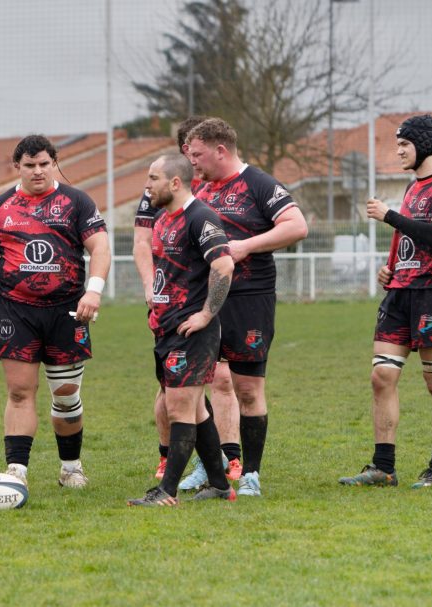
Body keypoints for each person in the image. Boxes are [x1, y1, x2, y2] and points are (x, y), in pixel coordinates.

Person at [0, 134, 110, 491]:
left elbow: (100, 246)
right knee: (20, 391)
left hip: (68, 311)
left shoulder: (77, 202)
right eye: (29, 165)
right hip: (16, 312)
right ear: (16, 166)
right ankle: (16, 470)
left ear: (54, 163)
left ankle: (71, 467)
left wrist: (93, 292)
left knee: (65, 393)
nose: (37, 171)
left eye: (44, 164)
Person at [340, 114, 432, 489]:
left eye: (404, 144)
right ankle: (383, 468)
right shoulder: (413, 188)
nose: (397, 151)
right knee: (381, 377)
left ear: (425, 145)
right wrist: (391, 268)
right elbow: (408, 239)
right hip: (401, 294)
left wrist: (389, 215)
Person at [186, 118, 308, 496]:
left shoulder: (258, 183)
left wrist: (246, 246)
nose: (192, 163)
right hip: (202, 299)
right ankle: (212, 462)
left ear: (220, 150)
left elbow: (297, 226)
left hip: (249, 299)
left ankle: (251, 473)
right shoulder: (197, 188)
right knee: (194, 384)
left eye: (197, 155)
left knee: (248, 389)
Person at [133, 115, 240, 484]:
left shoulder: (201, 217)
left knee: (181, 407)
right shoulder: (164, 219)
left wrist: (207, 315)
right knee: (195, 411)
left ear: (175, 182)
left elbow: (223, 266)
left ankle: (167, 490)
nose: (147, 186)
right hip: (167, 328)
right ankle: (219, 483)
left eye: (153, 179)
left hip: (192, 332)